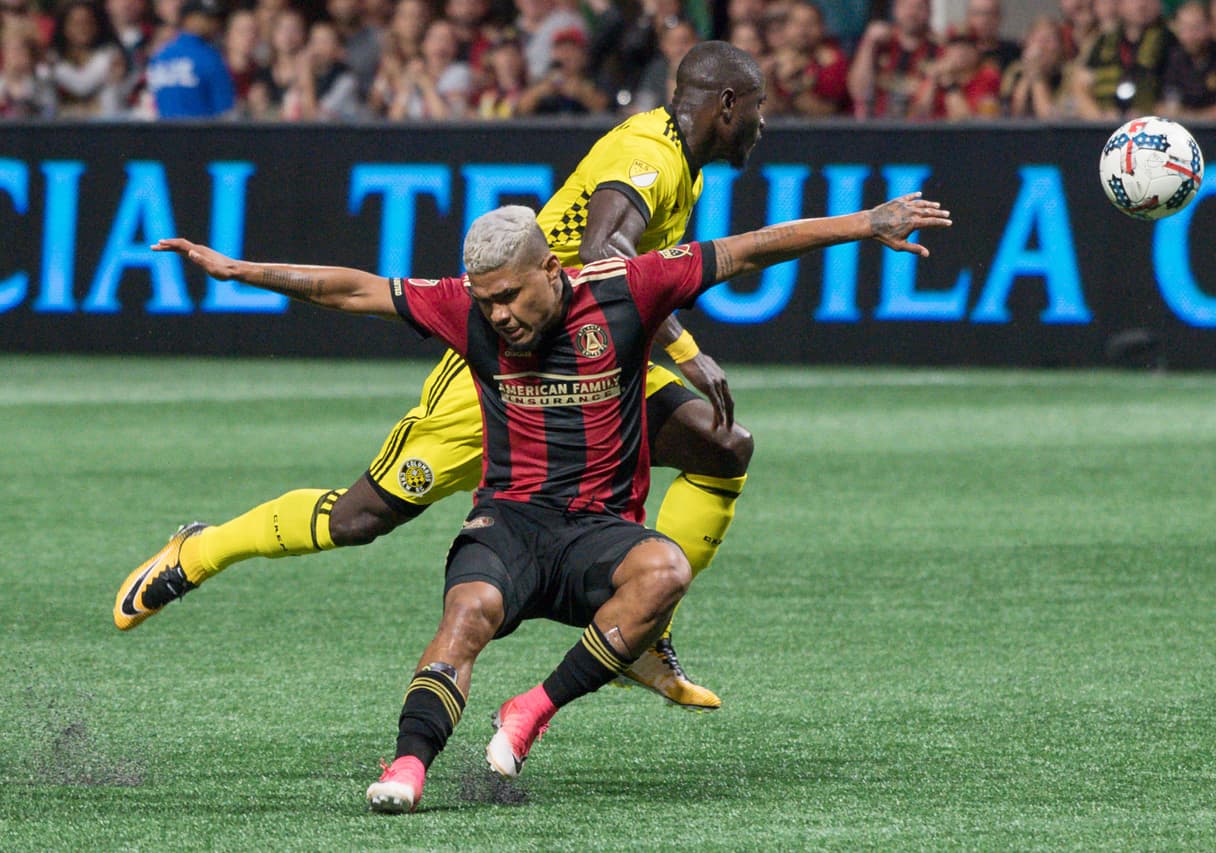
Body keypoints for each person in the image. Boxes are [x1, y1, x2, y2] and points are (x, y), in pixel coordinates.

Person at [151, 192, 951, 814]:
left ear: (550, 272)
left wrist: (865, 222)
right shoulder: (466, 310)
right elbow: (352, 288)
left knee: (666, 569)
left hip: (599, 535)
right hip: (509, 520)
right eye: (485, 301)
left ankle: (531, 708)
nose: (496, 315)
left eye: (508, 297)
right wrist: (238, 270)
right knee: (464, 615)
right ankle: (407, 765)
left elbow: (749, 247)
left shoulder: (630, 289)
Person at [114, 41, 762, 714]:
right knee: (359, 516)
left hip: (585, 363)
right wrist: (686, 349)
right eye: (759, 106)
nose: (764, 123)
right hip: (501, 370)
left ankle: (645, 633)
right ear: (726, 104)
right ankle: (201, 549)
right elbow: (604, 256)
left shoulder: (679, 165)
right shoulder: (649, 156)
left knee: (722, 445)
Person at [1158, 0, 1216, 118]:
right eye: (1184, 28)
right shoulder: (1174, 59)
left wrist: (1184, 114)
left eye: (1196, 28)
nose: (1190, 35)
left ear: (1210, 26)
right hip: (1181, 132)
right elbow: (1163, 108)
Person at [146, 0, 234, 119]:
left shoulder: (160, 56)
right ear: (189, 19)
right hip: (202, 135)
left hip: (163, 134)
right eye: (207, 18)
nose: (215, 24)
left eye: (216, 19)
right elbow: (225, 111)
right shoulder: (209, 57)